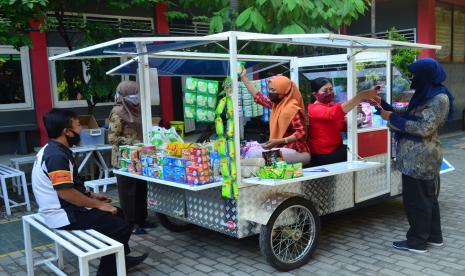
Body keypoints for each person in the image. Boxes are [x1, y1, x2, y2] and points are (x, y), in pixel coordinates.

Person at [31, 109, 147, 276]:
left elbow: (69, 186)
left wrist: (91, 195)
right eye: (78, 126)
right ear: (67, 132)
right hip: (62, 215)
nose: (81, 130)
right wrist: (98, 205)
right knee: (120, 226)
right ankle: (107, 272)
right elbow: (66, 193)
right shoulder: (56, 156)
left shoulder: (52, 148)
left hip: (62, 209)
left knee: (119, 213)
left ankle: (121, 258)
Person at [376, 58, 453, 253]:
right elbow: (410, 112)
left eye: (415, 75)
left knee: (416, 201)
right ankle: (434, 237)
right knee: (427, 199)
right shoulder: (426, 93)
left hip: (420, 158)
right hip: (416, 157)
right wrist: (385, 106)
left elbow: (424, 127)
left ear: (426, 75)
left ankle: (417, 242)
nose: (412, 79)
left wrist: (391, 118)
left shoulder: (439, 98)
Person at [108, 80, 156, 235]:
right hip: (124, 160)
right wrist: (133, 142)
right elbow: (112, 138)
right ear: (124, 95)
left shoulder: (137, 109)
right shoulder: (117, 112)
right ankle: (130, 223)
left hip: (140, 157)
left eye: (137, 93)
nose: (135, 97)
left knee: (141, 189)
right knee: (128, 192)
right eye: (132, 94)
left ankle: (142, 219)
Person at [240, 69, 311, 165]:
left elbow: (301, 132)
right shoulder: (277, 105)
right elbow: (259, 97)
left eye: (273, 90)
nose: (270, 93)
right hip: (282, 149)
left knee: (259, 157)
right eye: (269, 89)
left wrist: (280, 140)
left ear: (284, 90)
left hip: (298, 151)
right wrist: (244, 78)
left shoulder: (293, 109)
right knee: (250, 152)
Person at [307, 78, 379, 166]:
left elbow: (343, 124)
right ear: (315, 94)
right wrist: (360, 96)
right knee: (356, 152)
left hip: (336, 149)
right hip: (323, 154)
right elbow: (334, 113)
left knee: (361, 149)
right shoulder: (313, 109)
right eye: (325, 91)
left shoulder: (332, 105)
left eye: (331, 89)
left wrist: (356, 115)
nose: (329, 92)